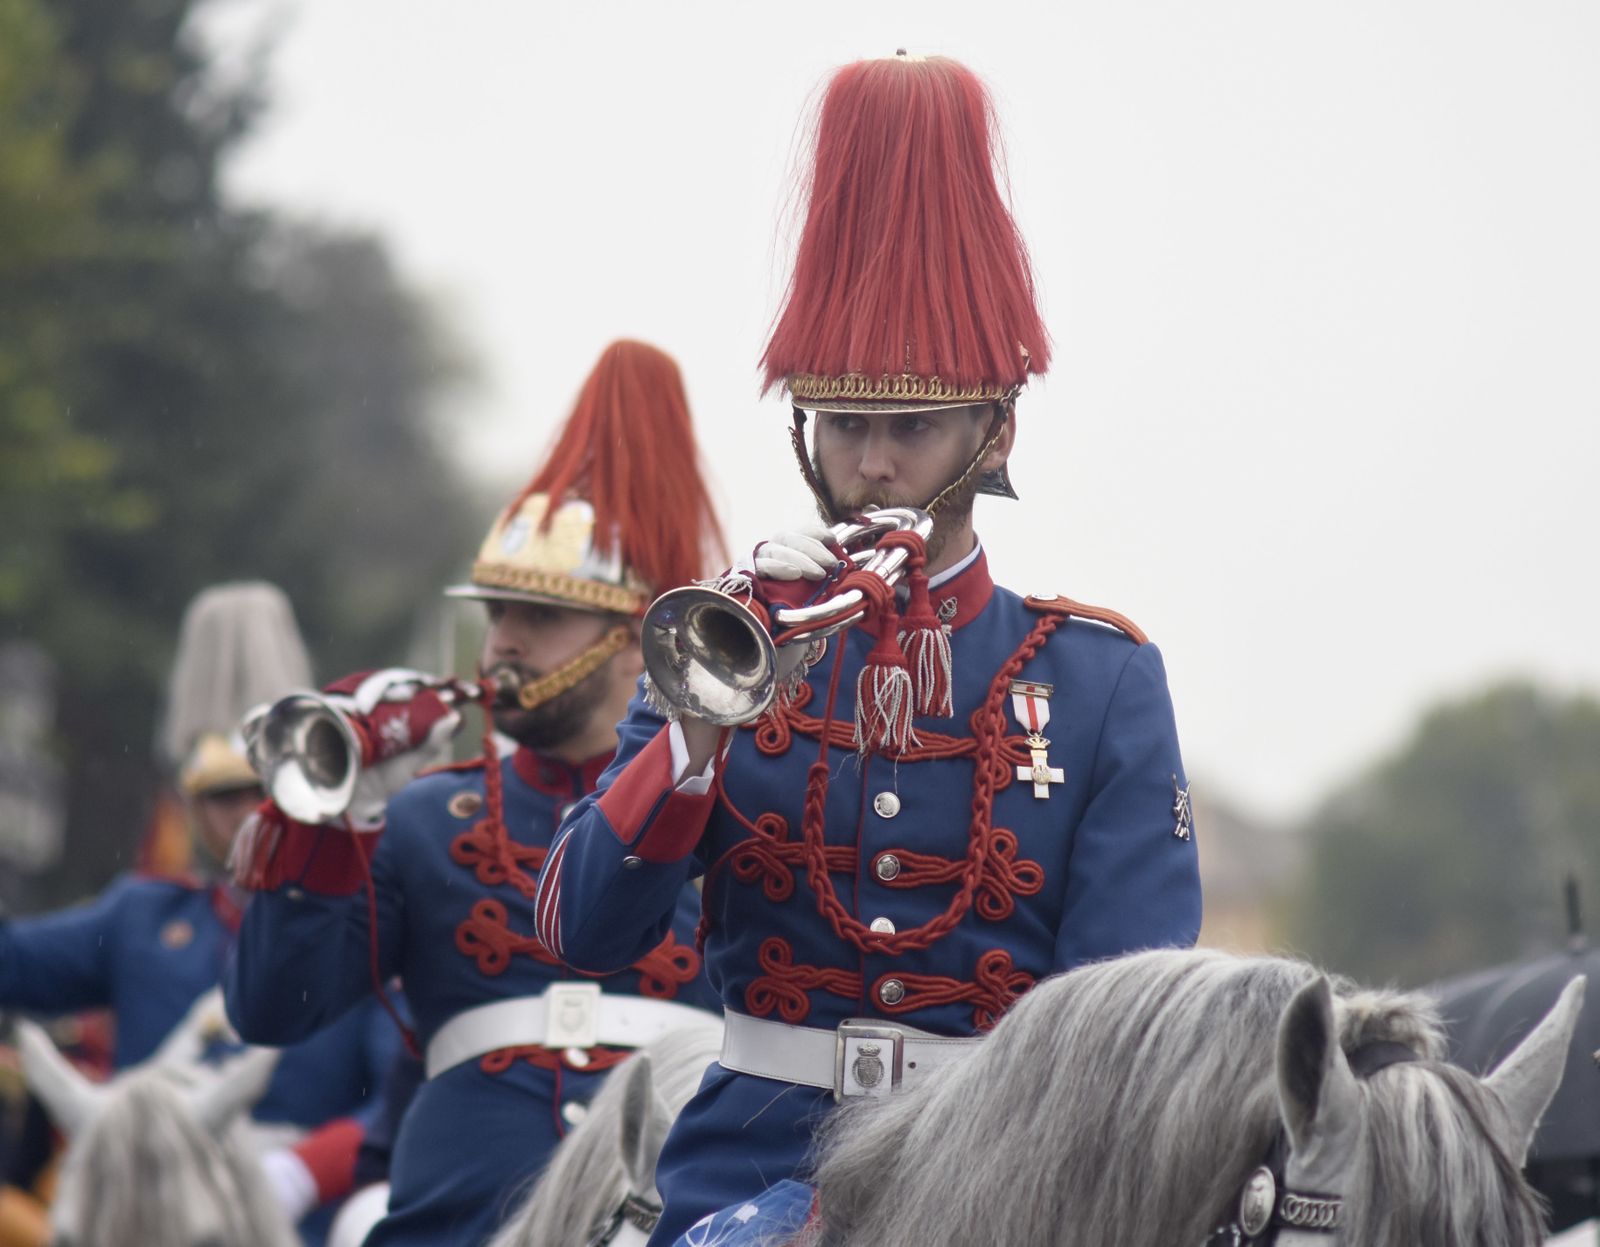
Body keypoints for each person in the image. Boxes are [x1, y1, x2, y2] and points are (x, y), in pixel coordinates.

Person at [533, 54, 1204, 1244]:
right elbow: (580, 929)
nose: (875, 463)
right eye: (844, 425)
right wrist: (698, 731)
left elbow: (1126, 1027)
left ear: (994, 433)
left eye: (912, 428)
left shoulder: (1098, 677)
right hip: (744, 1165)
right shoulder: (726, 636)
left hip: (1006, 1180)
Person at [225, 339, 728, 1246]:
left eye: (540, 616)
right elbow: (273, 1007)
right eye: (496, 613)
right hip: (457, 1217)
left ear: (630, 639)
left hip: (672, 1210)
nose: (502, 642)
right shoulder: (424, 814)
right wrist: (339, 820)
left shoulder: (729, 815)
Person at [0, 583, 397, 1246]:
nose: (246, 813)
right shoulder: (141, 916)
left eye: (259, 789)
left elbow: (401, 1097)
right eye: (221, 796)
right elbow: (12, 963)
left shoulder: (366, 923)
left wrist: (298, 1173)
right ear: (191, 806)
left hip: (308, 1218)